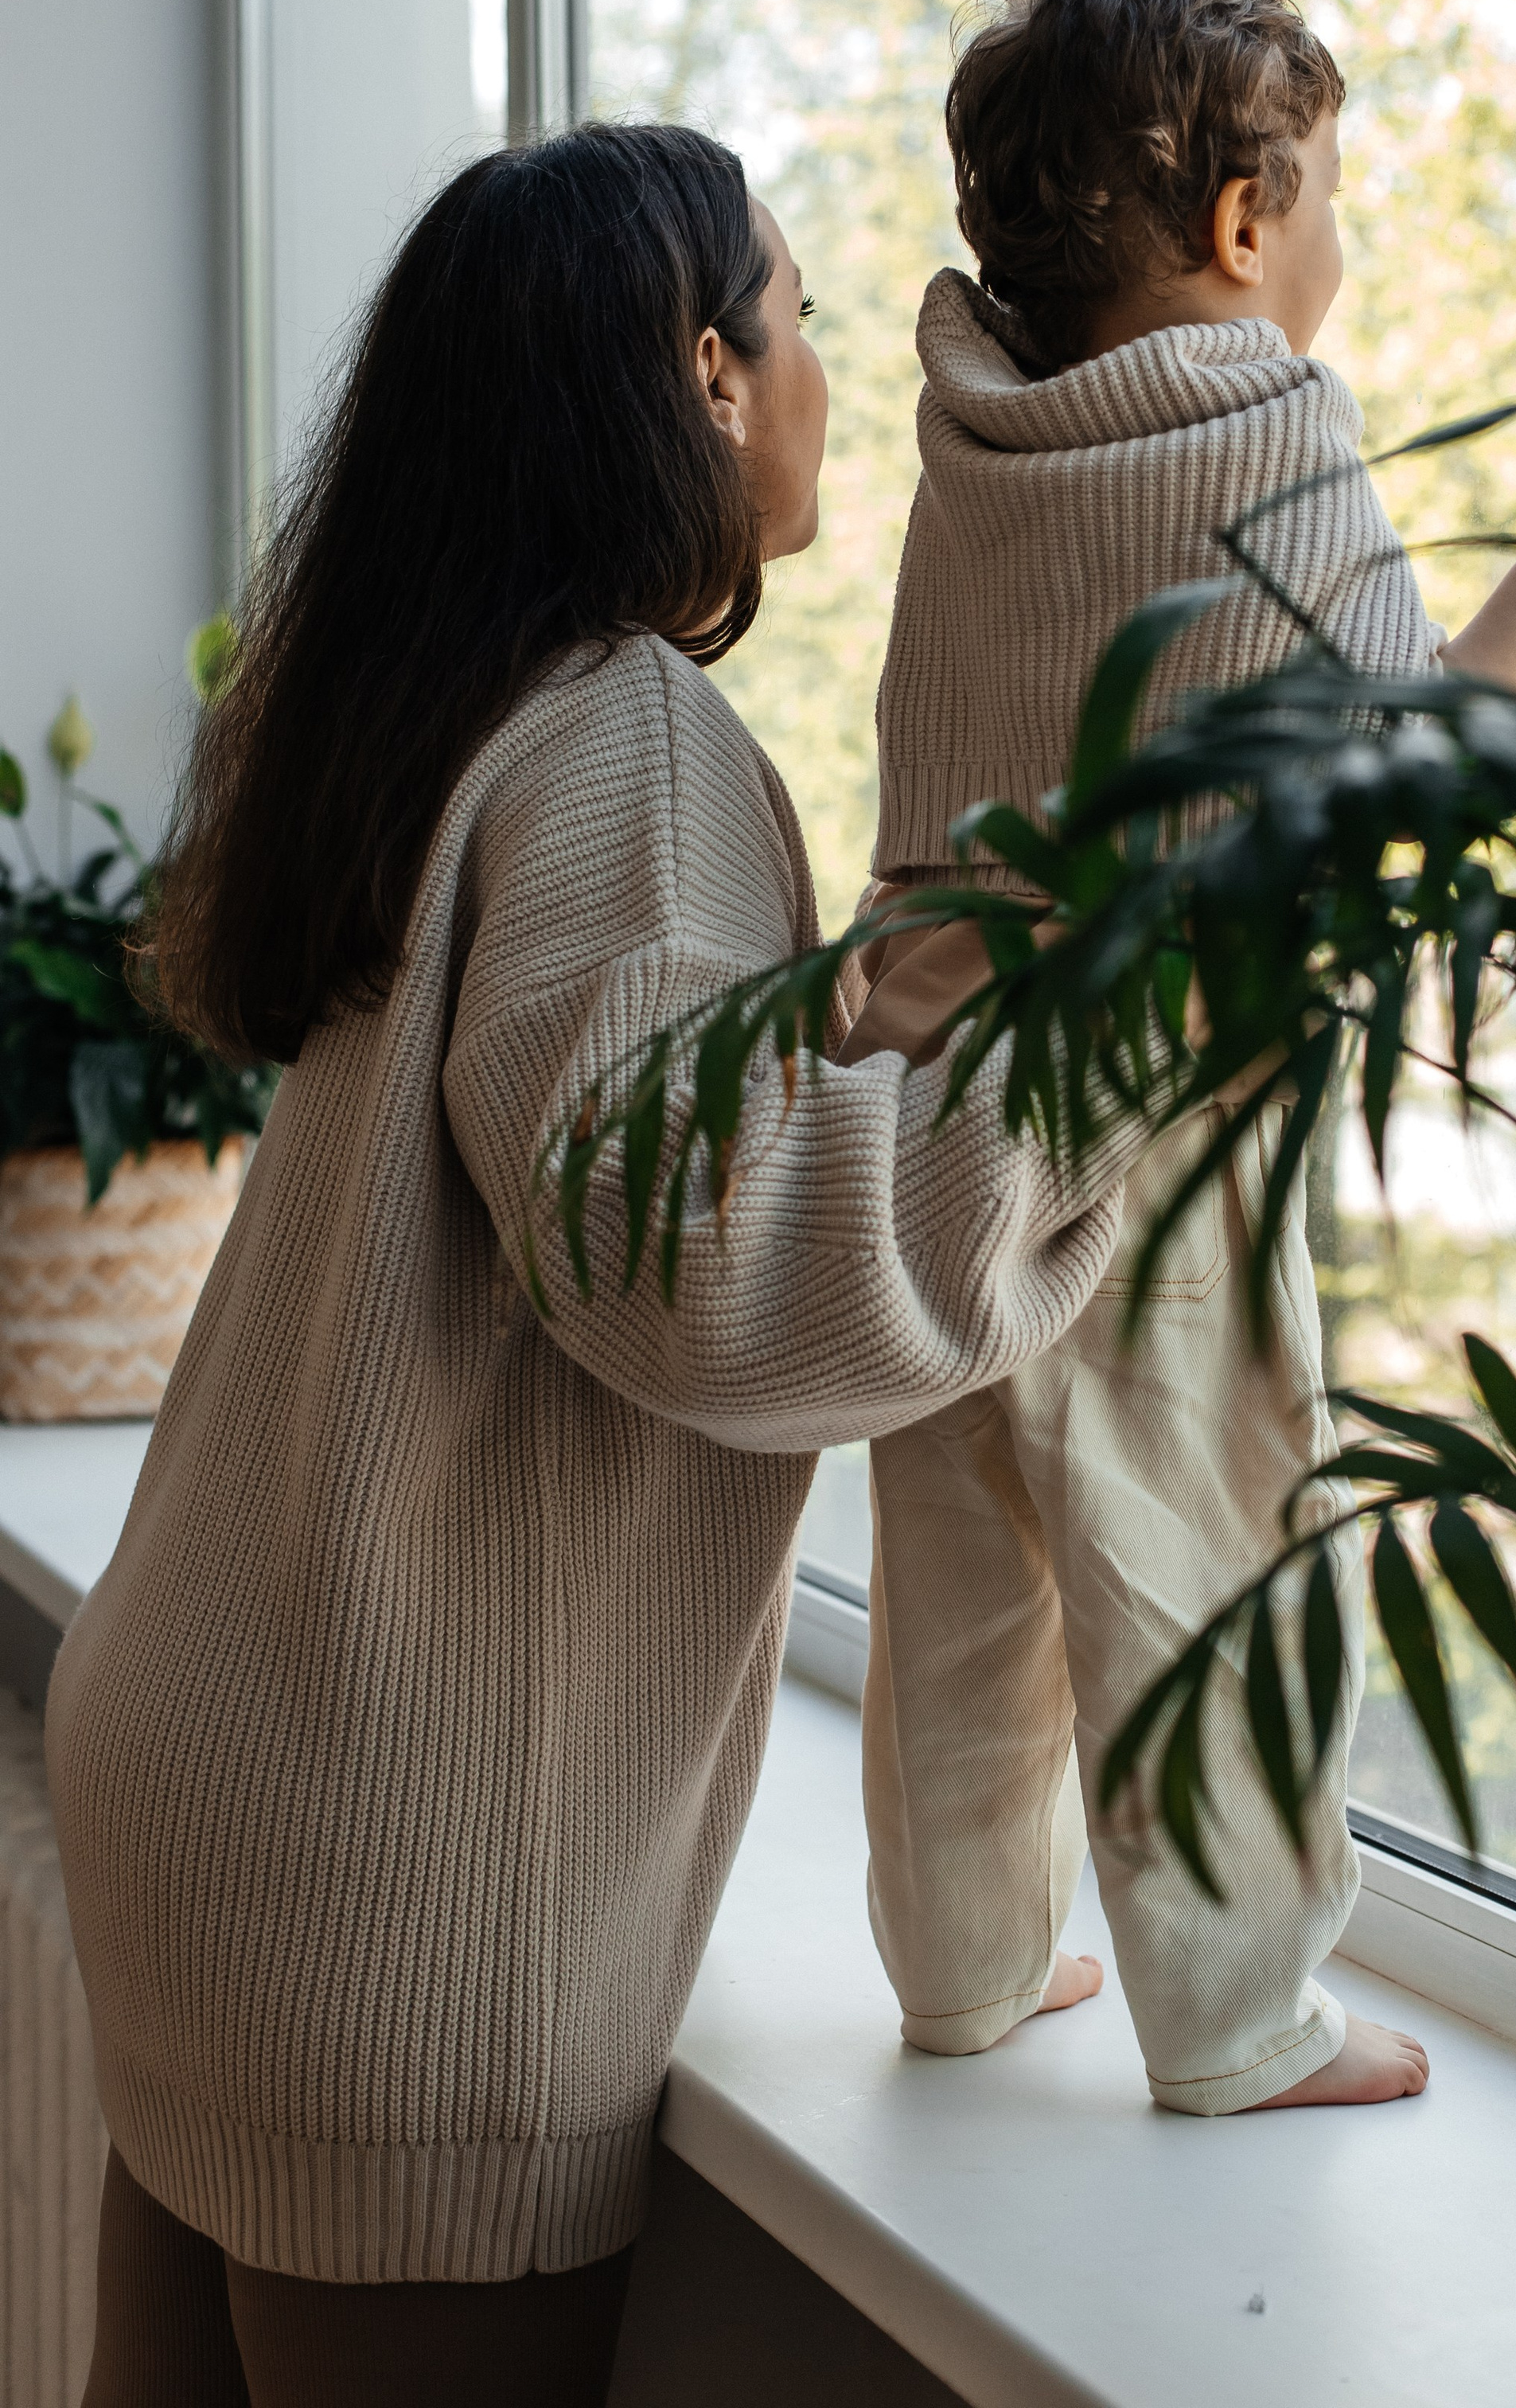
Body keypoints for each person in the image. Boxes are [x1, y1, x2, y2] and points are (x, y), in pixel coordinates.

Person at [46, 123, 1152, 2406]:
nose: (837, 362)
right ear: (706, 371)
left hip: (213, 1777)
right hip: (382, 1879)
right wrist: (1115, 1079)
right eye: (810, 308)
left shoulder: (441, 708)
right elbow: (716, 1265)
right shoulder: (633, 747)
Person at [844, 0, 1516, 2117]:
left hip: (911, 1069)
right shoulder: (1264, 424)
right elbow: (1411, 767)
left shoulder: (975, 430)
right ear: (1243, 219)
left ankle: (960, 1973)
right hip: (1139, 1097)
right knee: (1194, 1541)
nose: (1335, 250)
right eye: (1326, 197)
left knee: (956, 1578)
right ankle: (1236, 2021)